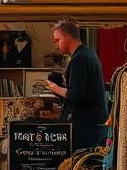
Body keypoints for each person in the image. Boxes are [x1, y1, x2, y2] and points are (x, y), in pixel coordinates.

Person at [45, 20, 108, 151]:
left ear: (67, 38)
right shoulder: (88, 55)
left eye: (57, 40)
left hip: (85, 125)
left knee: (82, 165)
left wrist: (54, 88)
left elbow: (76, 95)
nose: (56, 45)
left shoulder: (80, 59)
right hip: (93, 123)